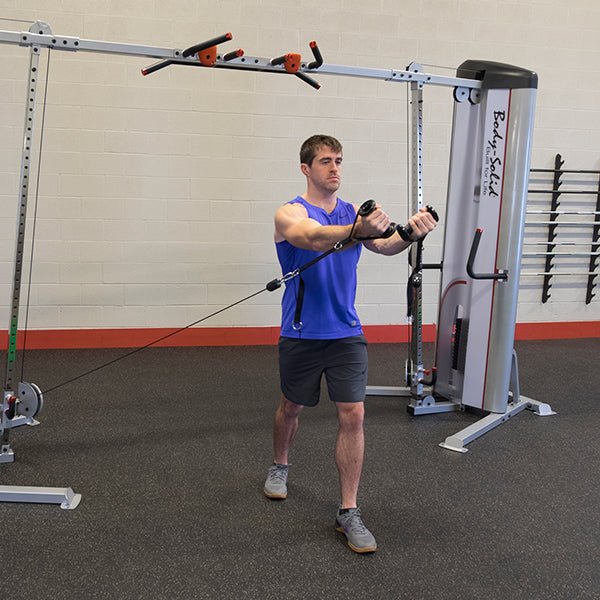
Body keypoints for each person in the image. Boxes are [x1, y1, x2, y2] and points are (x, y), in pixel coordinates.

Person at [263, 134, 437, 554]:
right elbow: (311, 237)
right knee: (292, 407)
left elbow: (386, 245)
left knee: (354, 414)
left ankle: (348, 510)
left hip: (346, 333)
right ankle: (280, 464)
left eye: (339, 160)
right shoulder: (289, 212)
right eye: (325, 161)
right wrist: (357, 229)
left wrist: (410, 233)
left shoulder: (352, 211)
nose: (335, 168)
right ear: (306, 168)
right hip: (301, 333)